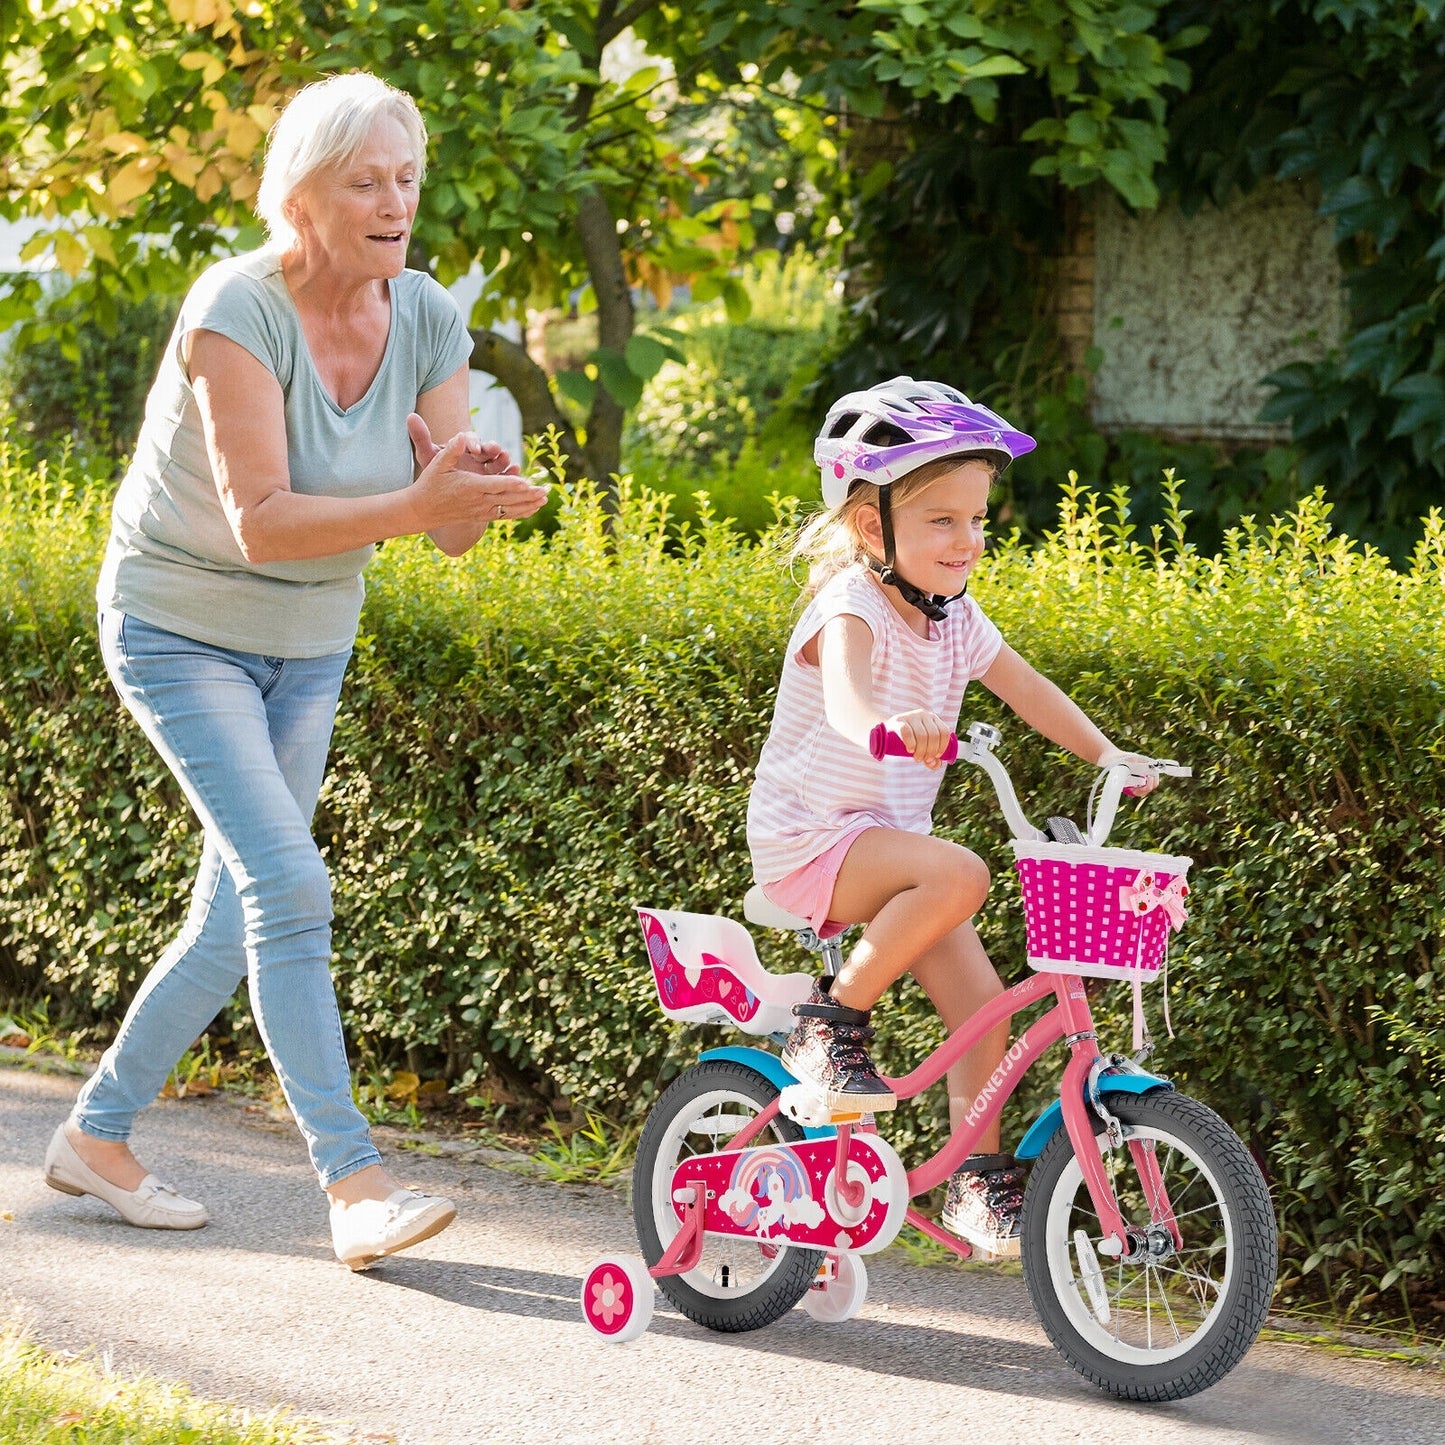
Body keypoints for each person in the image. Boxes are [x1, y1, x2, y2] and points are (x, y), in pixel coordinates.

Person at [41, 72, 548, 1270]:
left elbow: (443, 525)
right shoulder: (236, 308)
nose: (393, 202)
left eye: (406, 180)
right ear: (300, 197)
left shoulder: (425, 314)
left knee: (233, 916)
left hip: (309, 642)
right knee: (290, 886)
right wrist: (421, 497)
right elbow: (261, 518)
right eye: (364, 180)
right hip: (180, 627)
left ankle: (96, 1135)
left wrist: (466, 486)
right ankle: (354, 1182)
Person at [746, 376, 1158, 1257]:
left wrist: (1107, 755)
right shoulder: (848, 606)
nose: (967, 539)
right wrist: (890, 730)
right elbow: (852, 702)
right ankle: (827, 1025)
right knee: (960, 869)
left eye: (976, 519)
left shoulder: (953, 618)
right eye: (941, 520)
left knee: (984, 1004)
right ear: (872, 527)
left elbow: (1025, 687)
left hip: (887, 856)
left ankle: (974, 1176)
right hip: (809, 838)